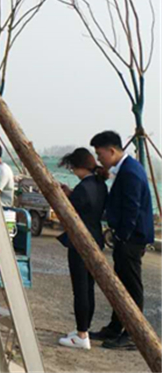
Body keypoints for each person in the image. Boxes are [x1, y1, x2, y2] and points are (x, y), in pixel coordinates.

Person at [89, 131, 154, 350]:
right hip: (127, 237)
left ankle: (134, 334)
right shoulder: (126, 169)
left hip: (131, 239)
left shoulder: (130, 173)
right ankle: (116, 327)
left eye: (100, 155)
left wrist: (121, 236)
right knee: (122, 286)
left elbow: (132, 208)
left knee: (132, 288)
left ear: (112, 151)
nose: (100, 160)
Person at [57, 148, 108, 350]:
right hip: (96, 238)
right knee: (88, 287)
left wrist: (66, 195)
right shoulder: (99, 184)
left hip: (80, 242)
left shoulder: (83, 189)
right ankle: (83, 329)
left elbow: (72, 210)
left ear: (78, 167)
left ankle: (81, 335)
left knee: (80, 289)